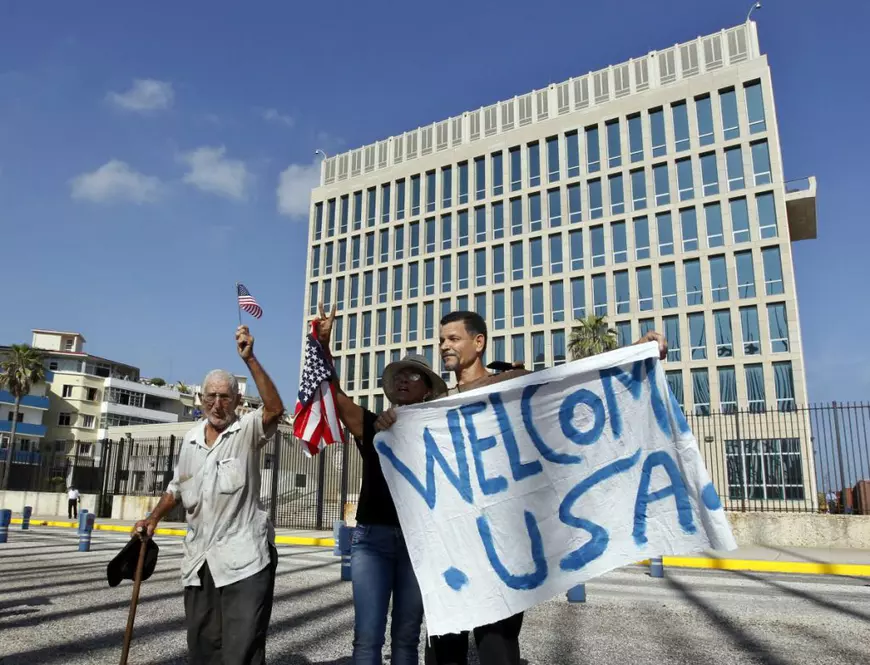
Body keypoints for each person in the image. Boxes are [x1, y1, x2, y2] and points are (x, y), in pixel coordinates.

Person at [377, 310, 668, 665]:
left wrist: (630, 353)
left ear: (478, 342)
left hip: (503, 552)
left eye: (453, 339)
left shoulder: (513, 383)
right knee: (444, 652)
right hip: (452, 552)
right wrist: (391, 421)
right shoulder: (435, 406)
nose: (444, 347)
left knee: (498, 648)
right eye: (441, 340)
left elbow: (571, 383)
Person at [132, 325, 284, 665]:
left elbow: (274, 409)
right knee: (202, 649)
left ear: (238, 401)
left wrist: (251, 359)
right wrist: (153, 518)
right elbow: (176, 487)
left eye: (225, 397)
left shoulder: (245, 431)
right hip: (199, 563)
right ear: (201, 400)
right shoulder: (190, 439)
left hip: (244, 562)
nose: (218, 404)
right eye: (211, 396)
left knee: (241, 650)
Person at [315, 303, 447, 665]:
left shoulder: (441, 431)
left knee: (407, 637)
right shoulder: (375, 425)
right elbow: (338, 401)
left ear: (427, 390)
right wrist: (324, 346)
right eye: (400, 375)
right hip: (371, 540)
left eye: (414, 376)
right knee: (367, 638)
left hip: (418, 543)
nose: (404, 379)